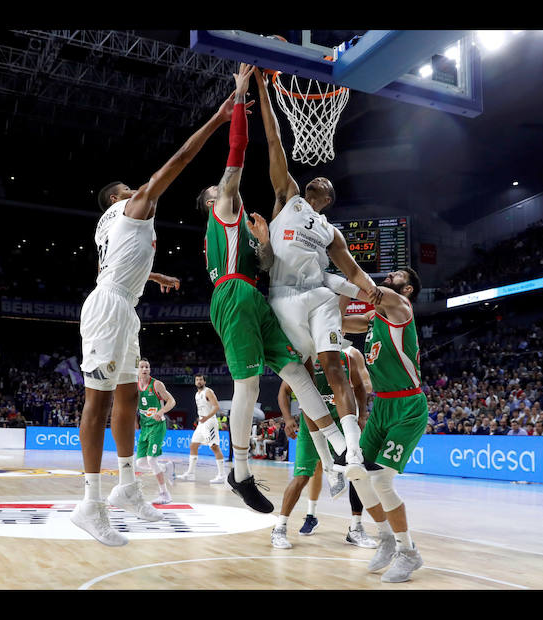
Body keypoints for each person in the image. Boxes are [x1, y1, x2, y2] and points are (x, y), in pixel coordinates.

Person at [71, 83, 237, 547]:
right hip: (108, 309)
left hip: (123, 304)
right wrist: (219, 118)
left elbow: (118, 267)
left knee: (127, 395)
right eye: (129, 188)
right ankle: (90, 502)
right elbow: (181, 159)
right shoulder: (132, 207)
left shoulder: (111, 227)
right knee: (99, 402)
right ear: (118, 199)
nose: (139, 188)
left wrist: (154, 277)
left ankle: (127, 484)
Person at [194, 63, 347, 512]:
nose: (227, 187)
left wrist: (263, 246)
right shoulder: (222, 205)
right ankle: (240, 472)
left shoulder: (239, 226)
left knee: (296, 370)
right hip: (232, 295)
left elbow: (260, 264)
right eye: (218, 188)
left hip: (253, 294)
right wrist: (241, 95)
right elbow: (238, 149)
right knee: (246, 387)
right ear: (211, 200)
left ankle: (338, 444)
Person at [253, 66, 383, 480]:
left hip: (319, 296)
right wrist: (261, 87)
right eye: (317, 179)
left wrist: (372, 289)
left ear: (327, 198)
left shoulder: (331, 230)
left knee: (334, 365)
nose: (320, 181)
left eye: (327, 184)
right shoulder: (287, 197)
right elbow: (275, 140)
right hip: (283, 297)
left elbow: (351, 268)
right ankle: (330, 458)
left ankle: (352, 453)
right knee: (302, 377)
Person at [339, 268, 426, 583]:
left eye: (397, 275)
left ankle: (409, 552)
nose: (390, 276)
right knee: (356, 473)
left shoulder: (401, 310)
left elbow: (369, 290)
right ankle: (387, 538)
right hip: (382, 407)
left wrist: (339, 273)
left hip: (407, 405)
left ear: (409, 289)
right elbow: (338, 323)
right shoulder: (373, 320)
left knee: (382, 480)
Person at [271, 342, 377, 550]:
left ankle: (356, 528)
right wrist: (287, 419)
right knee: (302, 477)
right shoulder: (305, 359)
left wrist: (363, 414)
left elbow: (361, 387)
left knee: (357, 474)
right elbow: (283, 391)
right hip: (311, 424)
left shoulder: (347, 359)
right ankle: (280, 528)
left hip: (340, 422)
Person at [134, 358, 176, 504]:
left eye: (147, 366)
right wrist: (135, 422)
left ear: (149, 369)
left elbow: (172, 401)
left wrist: (162, 411)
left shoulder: (157, 384)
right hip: (145, 427)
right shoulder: (135, 386)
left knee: (152, 460)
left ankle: (165, 494)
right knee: (140, 462)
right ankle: (166, 467)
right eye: (142, 367)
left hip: (157, 426)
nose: (144, 369)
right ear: (137, 370)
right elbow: (134, 406)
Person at [176, 374, 227, 484]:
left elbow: (216, 406)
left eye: (201, 380)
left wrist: (206, 417)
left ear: (204, 381)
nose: (199, 381)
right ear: (195, 382)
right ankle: (190, 473)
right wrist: (201, 419)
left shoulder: (208, 392)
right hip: (202, 423)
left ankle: (222, 475)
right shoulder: (196, 394)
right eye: (197, 380)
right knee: (193, 445)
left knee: (214, 447)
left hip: (209, 422)